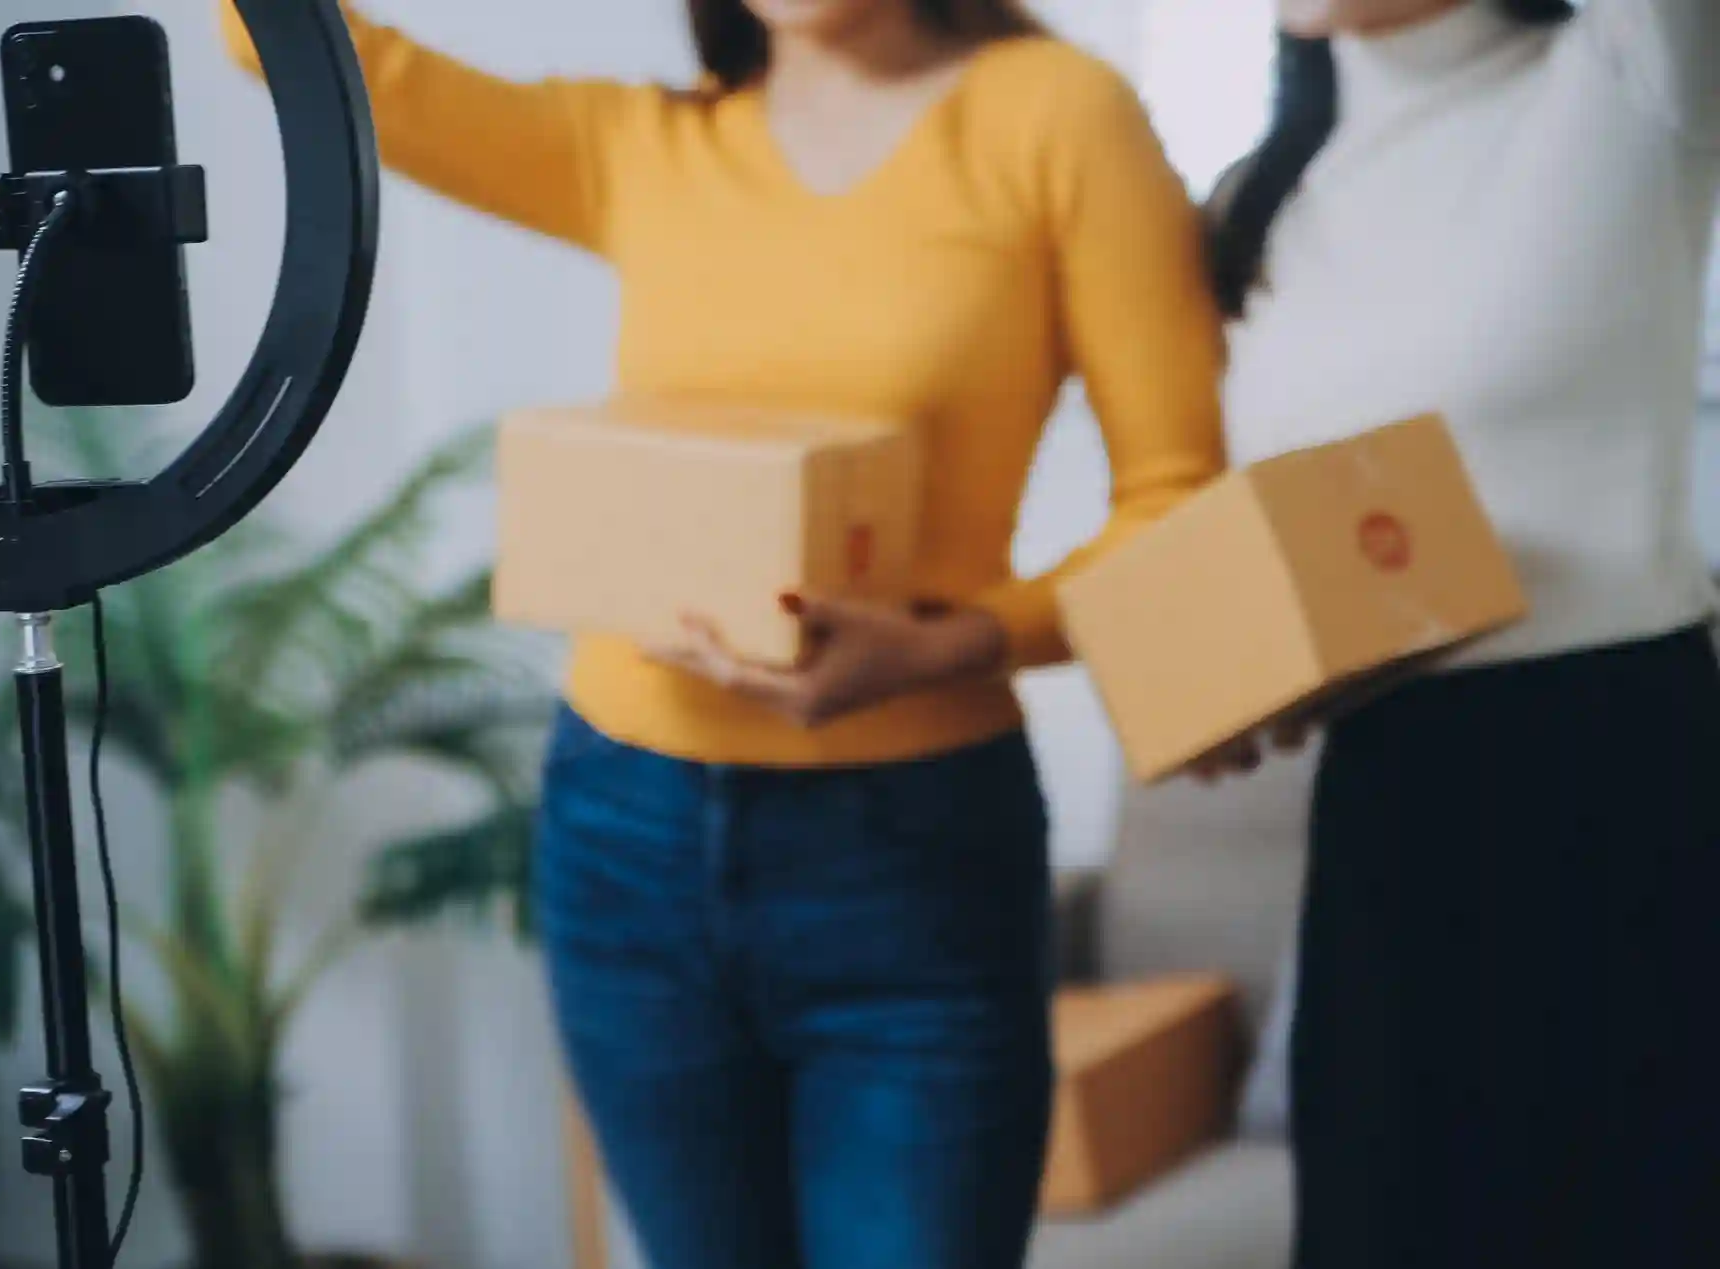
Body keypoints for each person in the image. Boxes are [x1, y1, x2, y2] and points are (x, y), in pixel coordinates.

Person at [222, 2, 1226, 1265]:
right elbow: (277, 38)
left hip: (910, 854)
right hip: (622, 835)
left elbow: (1176, 501)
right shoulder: (643, 144)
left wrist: (950, 644)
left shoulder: (1054, 116)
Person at [1204, 1, 1720, 1266]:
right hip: (1389, 783)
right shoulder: (1254, 201)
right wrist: (1236, 678)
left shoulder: (1627, 77)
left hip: (1619, 758)